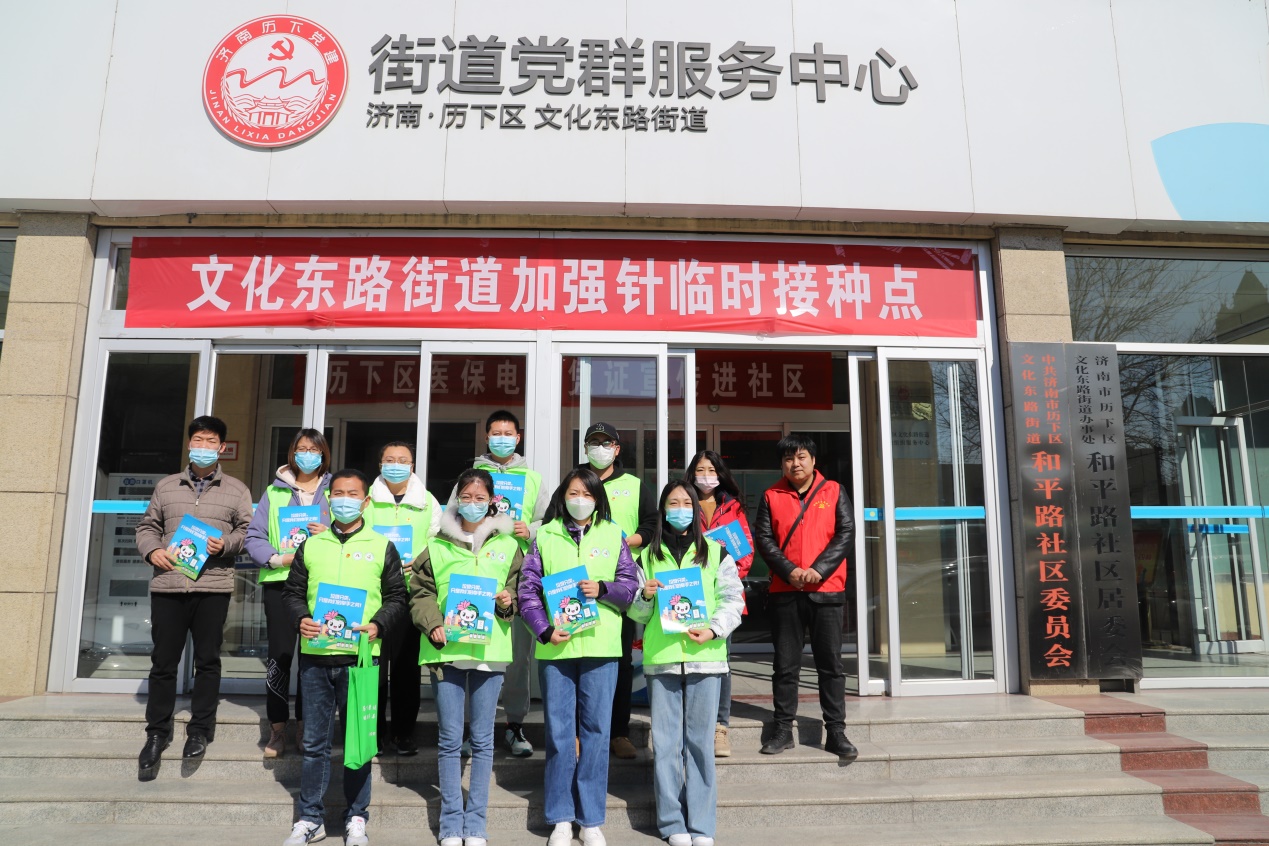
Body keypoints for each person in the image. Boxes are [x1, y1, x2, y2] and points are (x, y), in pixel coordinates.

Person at [281, 469, 408, 846]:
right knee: (314, 744)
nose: (344, 499)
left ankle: (356, 817)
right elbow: (292, 593)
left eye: (353, 494)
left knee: (359, 744)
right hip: (316, 659)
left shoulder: (382, 545)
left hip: (361, 660)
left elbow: (397, 597)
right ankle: (310, 818)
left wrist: (378, 625)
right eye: (338, 493)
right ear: (328, 499)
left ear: (366, 501)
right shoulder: (311, 545)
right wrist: (301, 619)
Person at [518, 467, 640, 846]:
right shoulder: (546, 535)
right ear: (563, 497)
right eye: (573, 493)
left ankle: (590, 819)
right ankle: (560, 817)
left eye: (587, 494)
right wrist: (544, 629)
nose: (580, 500)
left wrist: (603, 588)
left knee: (597, 733)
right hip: (557, 647)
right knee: (558, 734)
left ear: (597, 499)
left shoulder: (613, 535)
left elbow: (629, 587)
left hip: (602, 648)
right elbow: (527, 590)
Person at [134, 415, 254, 782]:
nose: (203, 446)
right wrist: (152, 550)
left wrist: (226, 543)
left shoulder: (236, 489)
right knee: (163, 662)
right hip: (169, 585)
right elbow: (147, 527)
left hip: (212, 586)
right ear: (190, 444)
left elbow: (248, 531)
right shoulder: (167, 485)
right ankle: (157, 732)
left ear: (222, 447)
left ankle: (200, 729)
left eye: (210, 441)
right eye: (198, 440)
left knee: (208, 661)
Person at [410, 468, 524, 846]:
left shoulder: (508, 545)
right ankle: (450, 823)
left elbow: (520, 589)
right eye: (467, 496)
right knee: (448, 739)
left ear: (491, 502)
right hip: (447, 651)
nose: (473, 503)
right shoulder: (436, 544)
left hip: (490, 653)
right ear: (457, 499)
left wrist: (508, 601)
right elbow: (420, 592)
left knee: (483, 740)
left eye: (480, 498)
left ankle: (475, 824)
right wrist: (432, 623)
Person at [628, 481, 743, 846]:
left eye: (686, 503)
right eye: (673, 503)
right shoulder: (647, 556)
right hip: (662, 662)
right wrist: (644, 597)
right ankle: (672, 823)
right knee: (665, 745)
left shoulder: (716, 551)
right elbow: (636, 612)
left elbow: (733, 599)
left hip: (705, 661)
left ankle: (702, 825)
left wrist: (713, 629)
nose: (680, 509)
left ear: (695, 509)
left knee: (699, 745)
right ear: (663, 510)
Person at [753, 434, 857, 761]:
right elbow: (764, 539)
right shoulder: (771, 495)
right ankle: (783, 729)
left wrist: (818, 570)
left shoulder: (834, 491)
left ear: (813, 460)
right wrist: (790, 571)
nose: (795, 464)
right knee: (785, 666)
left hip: (826, 591)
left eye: (801, 457)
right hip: (786, 591)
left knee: (831, 666)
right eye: (788, 459)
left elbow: (846, 533)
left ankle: (836, 732)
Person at [245, 428, 333, 758]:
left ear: (323, 454)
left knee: (314, 658)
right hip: (281, 582)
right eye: (301, 449)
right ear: (292, 453)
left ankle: (306, 726)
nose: (307, 455)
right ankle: (277, 727)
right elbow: (254, 536)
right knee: (280, 657)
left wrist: (329, 533)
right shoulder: (274, 492)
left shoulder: (335, 491)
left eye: (314, 449)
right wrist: (276, 558)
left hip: (322, 583)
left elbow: (353, 531)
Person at [578, 422, 656, 761]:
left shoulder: (634, 485)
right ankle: (580, 732)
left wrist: (626, 542)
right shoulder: (575, 482)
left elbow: (652, 524)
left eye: (606, 442)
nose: (600, 448)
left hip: (620, 586)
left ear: (617, 448)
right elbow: (555, 521)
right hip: (580, 585)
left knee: (621, 660)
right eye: (593, 442)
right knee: (579, 659)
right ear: (585, 448)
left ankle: (619, 732)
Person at [472, 410, 548, 758]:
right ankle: (475, 728)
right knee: (473, 650)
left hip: (518, 575)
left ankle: (514, 724)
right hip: (479, 572)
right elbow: (452, 517)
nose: (502, 438)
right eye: (496, 433)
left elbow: (549, 522)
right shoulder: (473, 476)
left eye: (508, 433)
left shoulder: (532, 479)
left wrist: (529, 530)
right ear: (487, 436)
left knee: (518, 657)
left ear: (518, 438)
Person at [364, 440, 441, 758]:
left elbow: (439, 541)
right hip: (374, 594)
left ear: (412, 466)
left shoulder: (427, 501)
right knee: (374, 667)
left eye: (403, 460)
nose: (396, 465)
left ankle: (404, 734)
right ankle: (373, 734)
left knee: (407, 668)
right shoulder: (366, 500)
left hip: (411, 593)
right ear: (380, 464)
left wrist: (421, 559)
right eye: (389, 459)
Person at [686, 450, 754, 759]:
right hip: (689, 596)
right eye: (700, 470)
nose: (706, 476)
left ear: (720, 474)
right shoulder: (683, 503)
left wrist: (725, 578)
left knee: (722, 662)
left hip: (722, 596)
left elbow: (745, 552)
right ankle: (692, 723)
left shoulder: (733, 507)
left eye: (711, 470)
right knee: (687, 659)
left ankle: (719, 726)